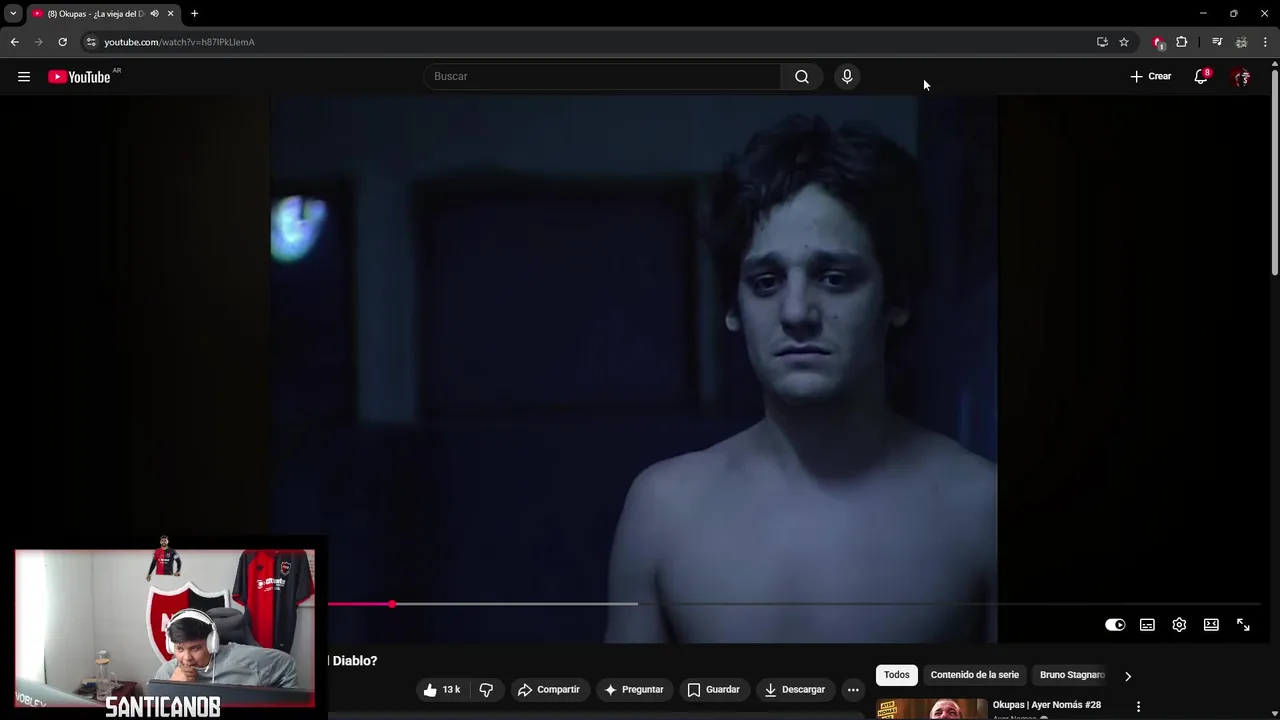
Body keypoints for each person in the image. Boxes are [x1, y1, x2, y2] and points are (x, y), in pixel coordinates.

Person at [605, 115, 996, 644]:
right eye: (766, 282)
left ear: (896, 296)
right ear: (734, 307)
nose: (796, 313)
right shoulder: (664, 511)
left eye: (833, 278)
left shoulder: (980, 509)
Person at [156, 609, 299, 688]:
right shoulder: (166, 674)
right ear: (171, 646)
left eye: (195, 648)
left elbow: (286, 664)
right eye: (180, 649)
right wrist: (172, 688)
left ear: (211, 643)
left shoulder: (242, 660)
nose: (187, 658)